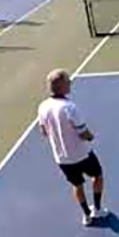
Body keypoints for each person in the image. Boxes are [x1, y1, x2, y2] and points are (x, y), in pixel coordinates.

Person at [38, 69, 109, 226]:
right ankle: (97, 209)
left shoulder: (42, 107)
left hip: (62, 158)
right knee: (98, 176)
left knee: (77, 185)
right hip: (82, 154)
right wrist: (91, 136)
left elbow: (43, 131)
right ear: (61, 86)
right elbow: (83, 133)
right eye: (68, 81)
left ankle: (87, 216)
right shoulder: (70, 107)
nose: (70, 83)